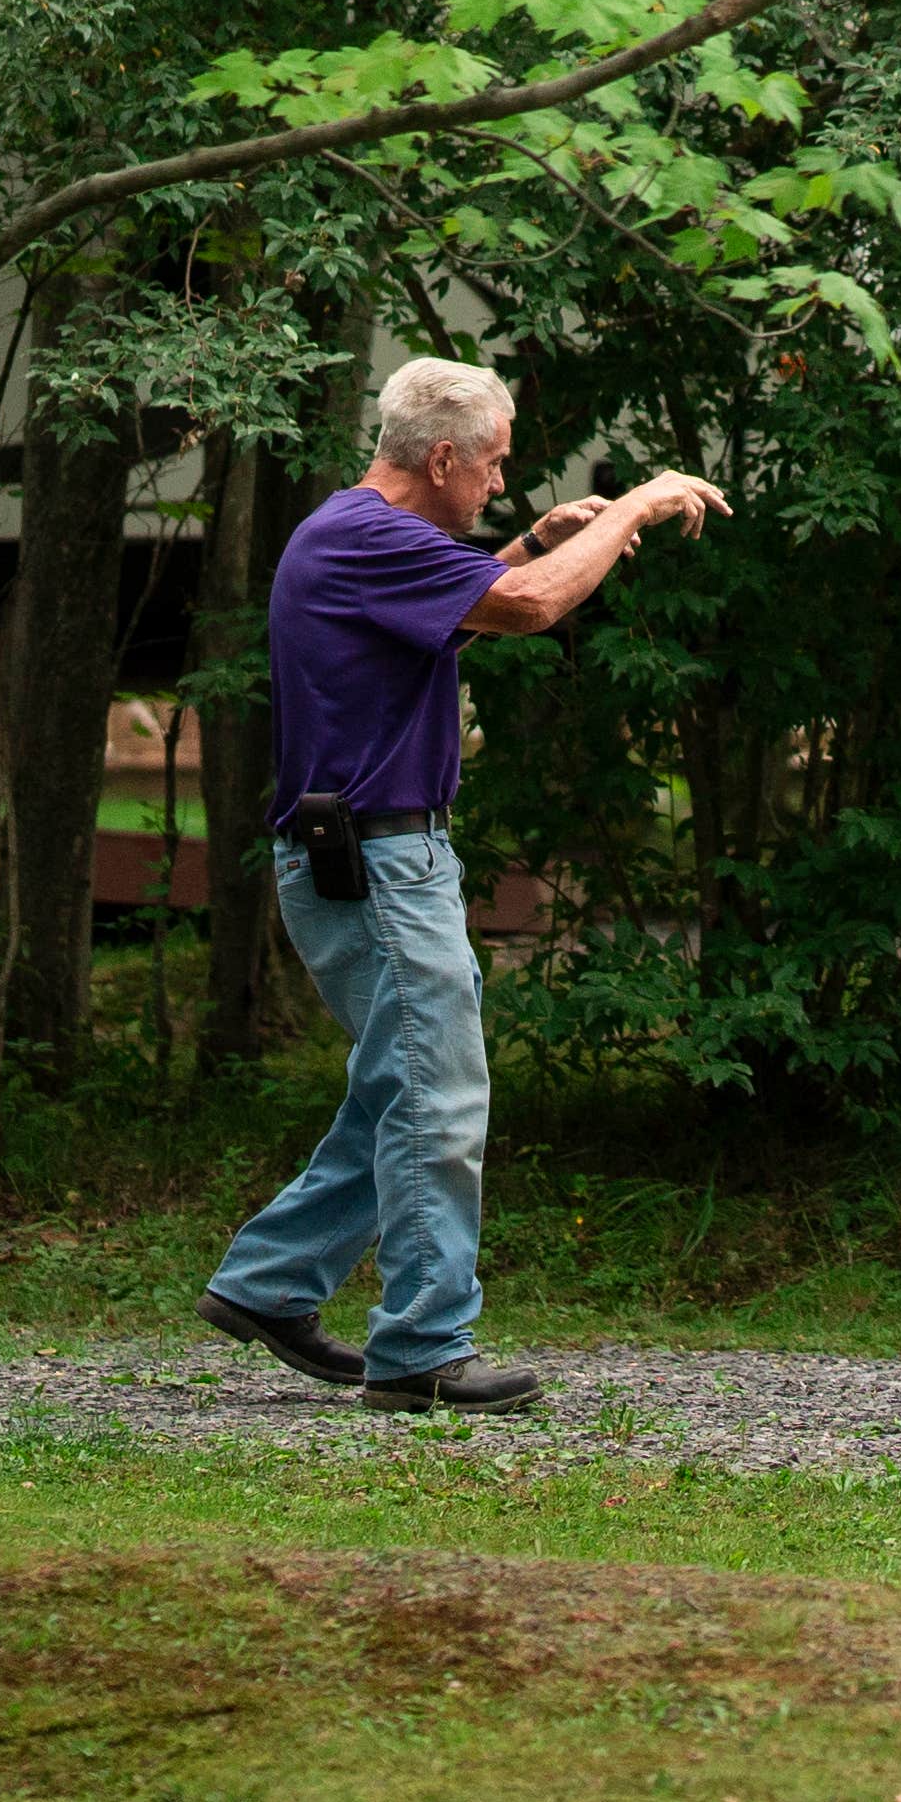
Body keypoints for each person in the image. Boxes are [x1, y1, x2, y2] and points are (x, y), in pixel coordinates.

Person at [198, 358, 724, 1414]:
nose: (500, 481)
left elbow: (480, 599)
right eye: (493, 463)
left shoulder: (357, 535)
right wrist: (635, 506)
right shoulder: (365, 537)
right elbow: (527, 608)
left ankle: (269, 1283)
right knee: (438, 1095)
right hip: (378, 863)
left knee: (401, 1084)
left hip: (377, 858)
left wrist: (530, 541)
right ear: (441, 458)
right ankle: (422, 1349)